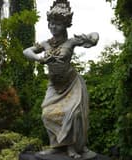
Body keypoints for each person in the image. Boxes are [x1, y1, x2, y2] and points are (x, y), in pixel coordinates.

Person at [23, 0, 99, 159]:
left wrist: (91, 38)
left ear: (65, 24)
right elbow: (26, 51)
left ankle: (72, 148)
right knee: (47, 114)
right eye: (50, 23)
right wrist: (39, 59)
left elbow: (95, 36)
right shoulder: (45, 44)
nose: (53, 26)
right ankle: (56, 147)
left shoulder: (71, 42)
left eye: (57, 23)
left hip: (71, 83)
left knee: (71, 113)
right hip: (54, 85)